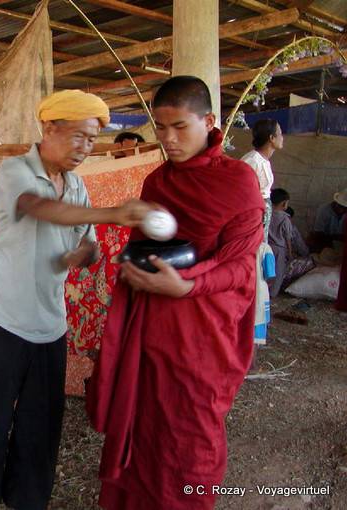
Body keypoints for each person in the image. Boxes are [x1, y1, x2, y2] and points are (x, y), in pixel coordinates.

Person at [0, 89, 153, 510]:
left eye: (91, 139)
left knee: (40, 420)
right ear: (49, 128)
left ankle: (26, 498)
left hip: (49, 323)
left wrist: (84, 254)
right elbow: (37, 206)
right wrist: (113, 213)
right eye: (78, 136)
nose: (85, 148)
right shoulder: (16, 170)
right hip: (0, 318)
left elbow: (91, 250)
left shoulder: (77, 186)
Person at [87, 76, 264, 510]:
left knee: (190, 443)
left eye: (179, 127)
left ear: (208, 121)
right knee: (142, 430)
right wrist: (132, 266)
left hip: (201, 338)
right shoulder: (157, 183)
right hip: (150, 331)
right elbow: (142, 246)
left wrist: (187, 285)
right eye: (160, 128)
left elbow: (241, 265)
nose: (168, 139)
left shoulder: (238, 182)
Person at [241, 119, 283, 242]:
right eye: (280, 133)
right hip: (253, 214)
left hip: (261, 211)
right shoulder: (252, 161)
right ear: (271, 138)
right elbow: (242, 191)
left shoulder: (263, 160)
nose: (282, 137)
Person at [267, 188, 315, 297]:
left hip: (266, 246)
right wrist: (289, 252)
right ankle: (272, 294)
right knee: (278, 272)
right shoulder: (285, 219)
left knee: (265, 269)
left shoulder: (267, 214)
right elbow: (288, 238)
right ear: (284, 204)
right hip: (280, 249)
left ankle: (263, 291)